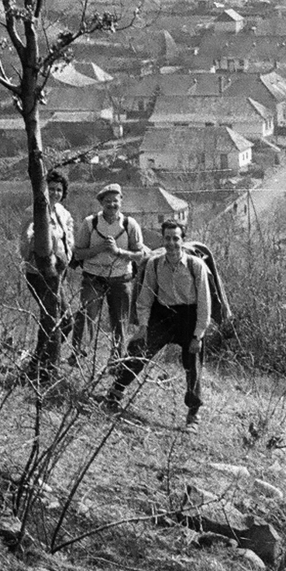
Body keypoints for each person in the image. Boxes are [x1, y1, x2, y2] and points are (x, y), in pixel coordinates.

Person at [105, 218, 210, 429]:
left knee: (193, 364)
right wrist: (143, 326)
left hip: (189, 316)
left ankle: (193, 414)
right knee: (140, 350)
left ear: (183, 240)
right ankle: (114, 394)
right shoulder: (154, 264)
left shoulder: (195, 265)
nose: (171, 243)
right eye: (167, 238)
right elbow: (145, 299)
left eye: (176, 238)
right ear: (163, 240)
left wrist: (198, 335)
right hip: (163, 315)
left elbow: (204, 303)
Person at [69, 183, 149, 364]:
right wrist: (98, 249)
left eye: (115, 201)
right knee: (87, 316)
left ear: (121, 201)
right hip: (93, 277)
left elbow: (139, 255)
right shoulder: (90, 223)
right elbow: (78, 253)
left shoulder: (130, 224)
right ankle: (78, 356)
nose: (112, 205)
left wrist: (117, 252)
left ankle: (117, 360)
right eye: (107, 201)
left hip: (121, 278)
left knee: (120, 321)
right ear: (101, 203)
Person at [21, 170, 75, 379]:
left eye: (59, 190)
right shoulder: (32, 212)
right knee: (56, 317)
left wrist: (65, 261)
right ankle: (42, 365)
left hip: (59, 272)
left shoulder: (64, 214)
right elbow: (24, 243)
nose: (54, 193)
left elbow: (69, 243)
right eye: (51, 189)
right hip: (39, 272)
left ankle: (41, 361)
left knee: (58, 319)